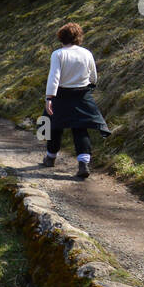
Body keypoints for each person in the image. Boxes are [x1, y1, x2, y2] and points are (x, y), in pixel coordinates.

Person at [39, 22, 109, 178]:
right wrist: (90, 86)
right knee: (80, 128)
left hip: (61, 95)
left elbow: (54, 77)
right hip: (82, 95)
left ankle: (50, 158)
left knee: (54, 127)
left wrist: (49, 97)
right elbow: (93, 76)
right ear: (78, 37)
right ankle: (83, 164)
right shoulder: (86, 53)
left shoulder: (58, 54)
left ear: (60, 37)